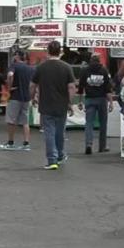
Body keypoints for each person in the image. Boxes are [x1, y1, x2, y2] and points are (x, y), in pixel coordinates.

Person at [30, 40, 77, 170]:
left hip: (46, 105)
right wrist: (69, 102)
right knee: (60, 132)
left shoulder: (41, 67)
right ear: (60, 51)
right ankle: (60, 155)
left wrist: (32, 97)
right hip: (61, 105)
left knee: (49, 132)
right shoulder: (66, 67)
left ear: (48, 51)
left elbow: (33, 85)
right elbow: (72, 87)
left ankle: (52, 160)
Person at [77, 54, 113, 155]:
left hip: (89, 99)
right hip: (101, 99)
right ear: (99, 60)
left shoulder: (84, 71)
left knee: (89, 123)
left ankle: (89, 144)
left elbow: (81, 87)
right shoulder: (104, 70)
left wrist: (80, 101)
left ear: (90, 60)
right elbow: (108, 88)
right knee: (103, 124)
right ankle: (102, 146)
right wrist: (110, 102)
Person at [1, 50, 34, 151]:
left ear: (17, 56)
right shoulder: (30, 68)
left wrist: (10, 87)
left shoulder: (14, 65)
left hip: (15, 96)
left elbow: (10, 75)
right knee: (25, 121)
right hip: (26, 97)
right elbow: (33, 83)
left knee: (11, 120)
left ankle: (10, 142)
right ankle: (26, 143)